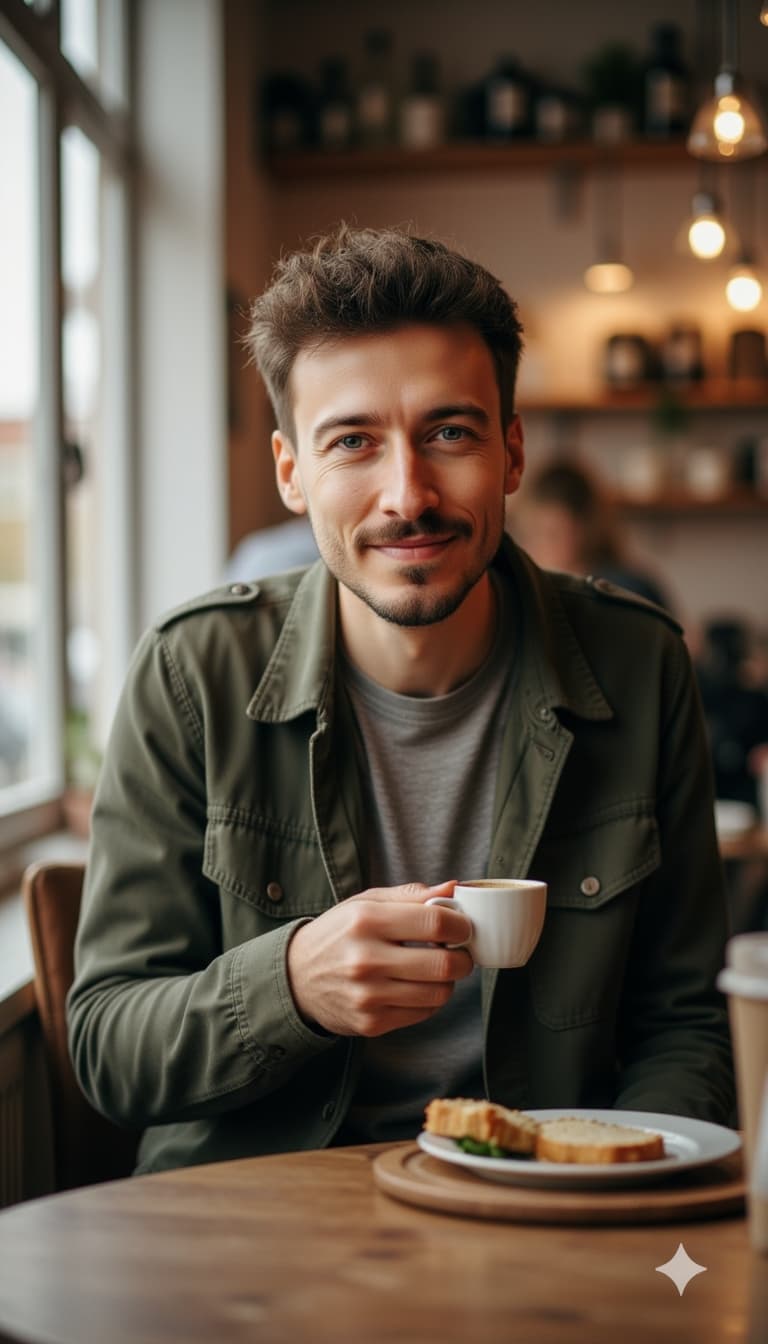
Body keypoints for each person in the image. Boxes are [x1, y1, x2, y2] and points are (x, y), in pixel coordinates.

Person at [68, 226, 733, 1175]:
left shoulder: (637, 663)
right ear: (292, 472)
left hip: (544, 1216)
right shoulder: (192, 672)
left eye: (450, 433)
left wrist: (612, 1185)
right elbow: (106, 1047)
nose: (407, 495)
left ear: (511, 452)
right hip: (250, 1230)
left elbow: (687, 1022)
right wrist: (290, 986)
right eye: (353, 443)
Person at [510, 458, 674, 611]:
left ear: (584, 531)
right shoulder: (530, 594)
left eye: (550, 534)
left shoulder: (626, 591)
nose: (535, 548)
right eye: (529, 534)